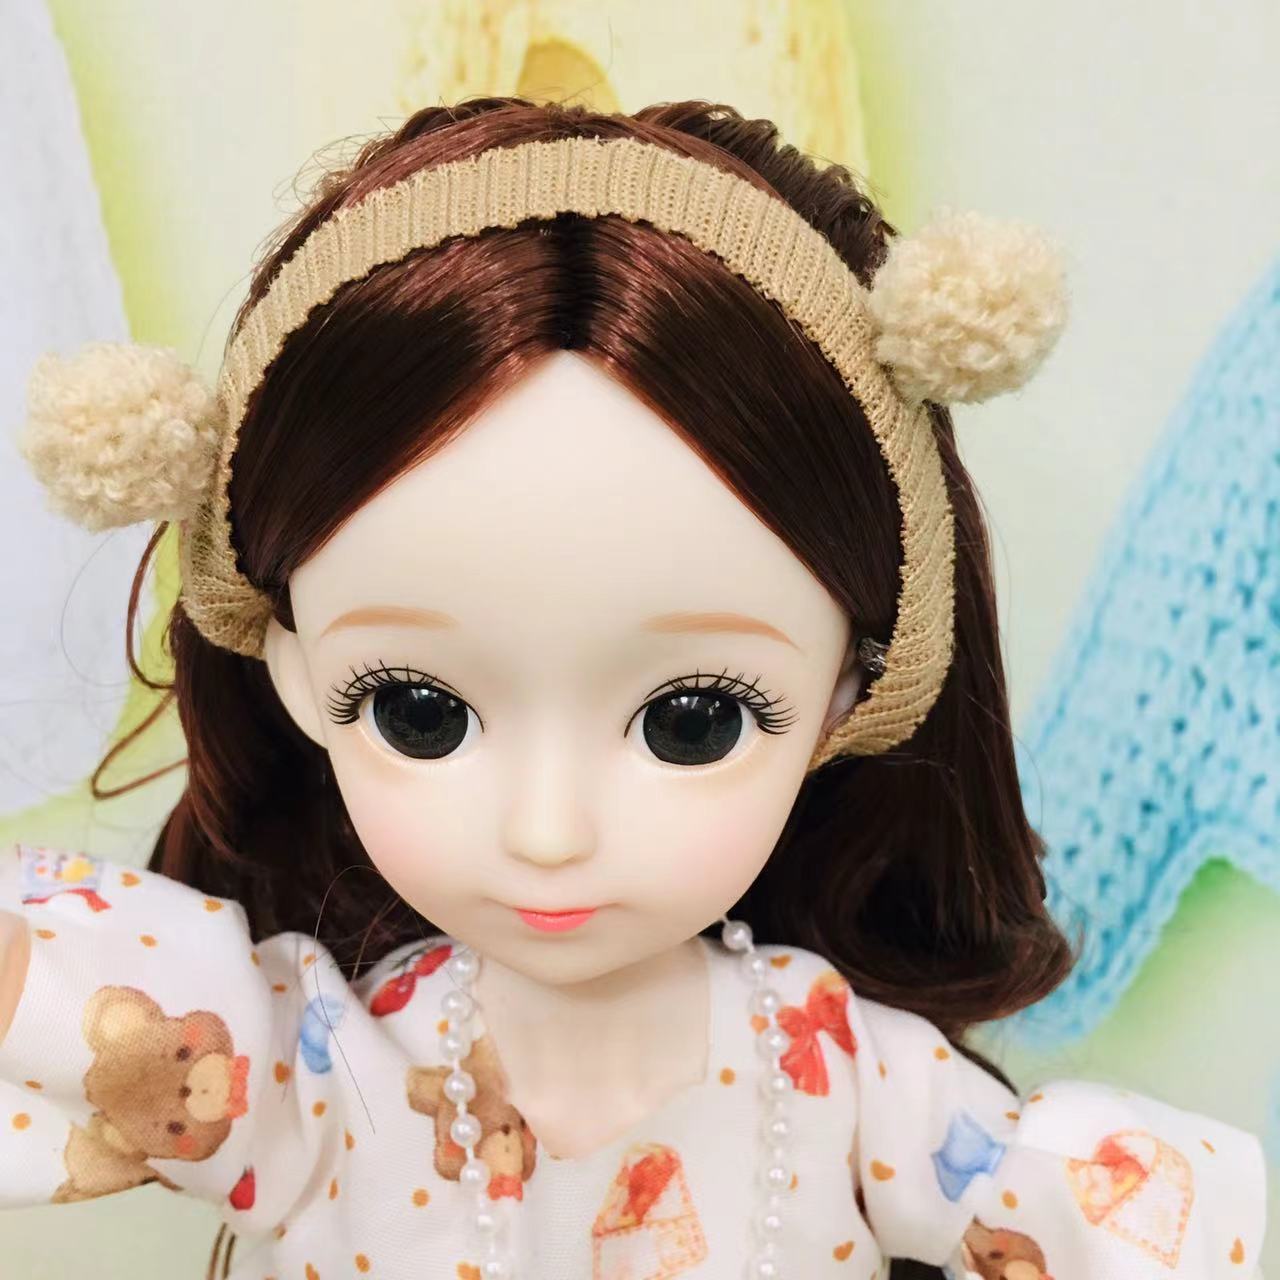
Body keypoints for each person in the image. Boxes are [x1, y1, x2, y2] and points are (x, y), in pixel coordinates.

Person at [0, 97, 1266, 1279]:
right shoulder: (315, 1066)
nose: (548, 829)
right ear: (292, 669)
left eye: (691, 720)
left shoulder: (838, 1074)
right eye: (417, 711)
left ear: (854, 688)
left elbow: (1095, 1210)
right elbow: (67, 1008)